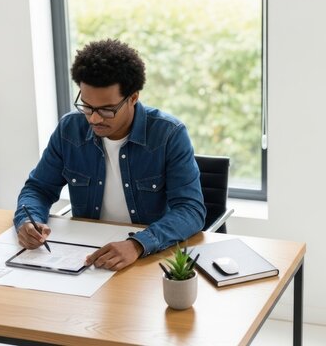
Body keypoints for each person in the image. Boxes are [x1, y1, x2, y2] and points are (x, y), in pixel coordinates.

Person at [13, 39, 205, 271]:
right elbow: (38, 189)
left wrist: (136, 244)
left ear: (133, 98)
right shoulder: (69, 130)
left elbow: (191, 210)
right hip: (88, 255)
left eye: (106, 110)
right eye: (86, 106)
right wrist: (28, 221)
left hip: (148, 257)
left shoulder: (169, 134)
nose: (93, 118)